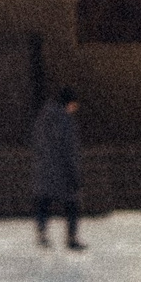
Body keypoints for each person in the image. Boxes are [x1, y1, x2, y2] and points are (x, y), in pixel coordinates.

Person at [31, 86, 85, 250]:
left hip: (45, 170)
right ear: (68, 103)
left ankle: (42, 235)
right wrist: (75, 174)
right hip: (63, 172)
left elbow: (38, 142)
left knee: (43, 203)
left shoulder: (43, 118)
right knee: (72, 205)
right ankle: (71, 238)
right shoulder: (66, 121)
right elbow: (69, 149)